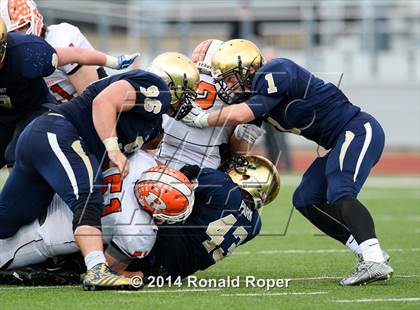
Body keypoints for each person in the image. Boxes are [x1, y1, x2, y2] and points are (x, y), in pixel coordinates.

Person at [181, 39, 393, 286]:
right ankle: (366, 251)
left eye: (229, 78)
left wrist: (202, 119)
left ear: (247, 67)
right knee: (306, 198)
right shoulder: (254, 95)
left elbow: (245, 113)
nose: (227, 85)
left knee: (341, 191)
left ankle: (373, 258)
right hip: (337, 142)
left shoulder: (277, 70)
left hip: (357, 130)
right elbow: (244, 137)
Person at [0, 52, 199, 290]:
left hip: (46, 142)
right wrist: (113, 149)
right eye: (187, 92)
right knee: (90, 194)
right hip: (57, 132)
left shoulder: (153, 123)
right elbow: (103, 102)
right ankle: (96, 269)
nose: (188, 100)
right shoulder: (153, 85)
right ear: (173, 85)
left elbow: (147, 159)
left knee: (7, 220)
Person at [0, 155, 280, 284]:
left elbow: (178, 183)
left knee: (120, 222)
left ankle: (65, 264)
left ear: (246, 177)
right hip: (170, 274)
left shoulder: (220, 183)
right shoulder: (255, 225)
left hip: (154, 247)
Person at [0, 150, 194, 281]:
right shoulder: (139, 231)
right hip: (41, 236)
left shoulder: (140, 162)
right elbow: (108, 271)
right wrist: (143, 274)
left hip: (46, 199)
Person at [0, 17, 138, 168]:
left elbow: (77, 54)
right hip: (5, 113)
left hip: (34, 108)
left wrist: (113, 62)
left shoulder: (28, 52)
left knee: (18, 152)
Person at [157, 39, 264, 169]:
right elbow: (237, 152)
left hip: (163, 157)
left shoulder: (175, 80)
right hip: (208, 166)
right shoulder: (239, 89)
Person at [0, 0, 105, 103]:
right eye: (11, 33)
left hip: (88, 110)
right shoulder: (10, 57)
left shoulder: (61, 38)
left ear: (34, 18)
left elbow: (94, 100)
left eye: (21, 28)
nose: (17, 36)